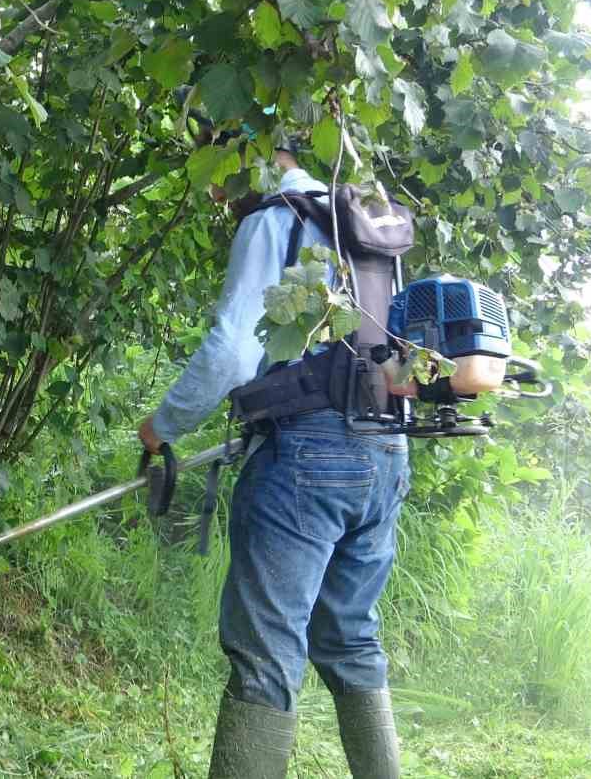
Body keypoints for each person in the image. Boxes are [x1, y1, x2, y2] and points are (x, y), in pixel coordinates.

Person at [138, 141, 409, 779]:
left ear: (247, 157)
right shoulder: (362, 224)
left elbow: (232, 350)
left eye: (210, 173)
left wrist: (163, 426)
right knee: (350, 636)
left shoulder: (274, 218)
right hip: (386, 447)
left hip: (306, 455)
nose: (212, 194)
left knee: (265, 654)